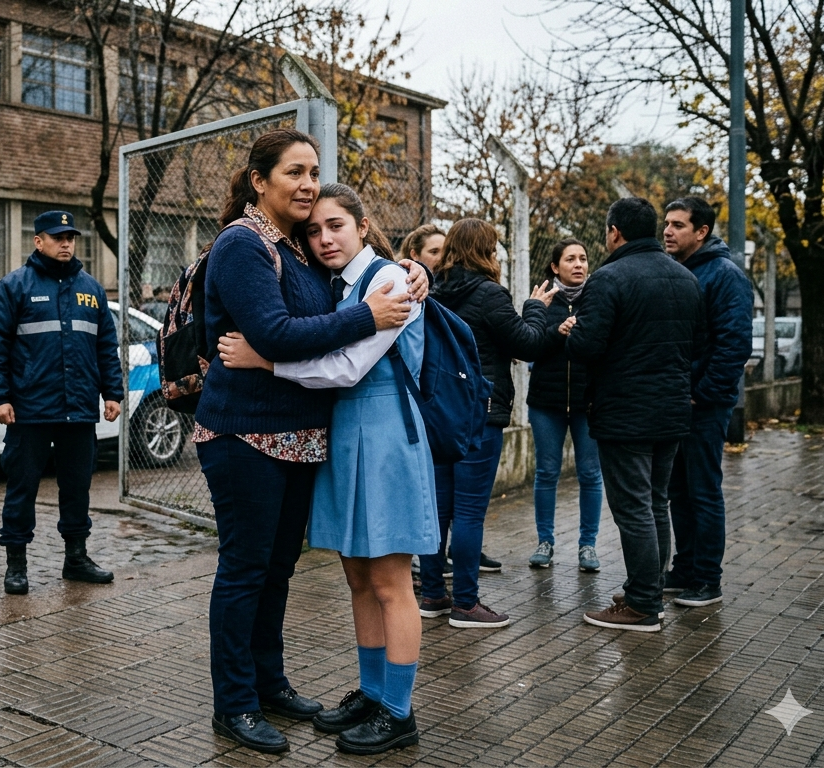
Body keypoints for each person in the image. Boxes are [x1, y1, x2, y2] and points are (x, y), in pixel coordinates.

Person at [193, 129, 425, 755]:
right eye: (293, 172)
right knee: (244, 571)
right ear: (258, 180)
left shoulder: (295, 246)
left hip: (296, 438)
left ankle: (269, 683)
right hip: (245, 433)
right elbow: (272, 332)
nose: (307, 184)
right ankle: (235, 702)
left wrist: (412, 267)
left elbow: (349, 274)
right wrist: (368, 317)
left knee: (277, 571)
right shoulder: (243, 245)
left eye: (314, 171)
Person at [564, 197, 705, 632]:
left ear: (614, 232)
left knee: (633, 509)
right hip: (672, 409)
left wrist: (572, 331)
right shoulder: (685, 278)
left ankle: (642, 604)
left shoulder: (608, 279)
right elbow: (697, 344)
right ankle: (649, 587)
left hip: (625, 413)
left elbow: (589, 346)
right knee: (655, 502)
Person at [416, 218, 557, 629]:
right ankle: (466, 603)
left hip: (438, 414)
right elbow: (527, 342)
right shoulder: (489, 294)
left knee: (437, 509)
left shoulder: (433, 292)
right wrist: (536, 308)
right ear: (485, 251)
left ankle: (431, 595)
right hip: (481, 413)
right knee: (470, 513)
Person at [0, 210, 123, 597]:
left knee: (77, 487)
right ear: (38, 241)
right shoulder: (14, 286)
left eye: (70, 237)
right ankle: (16, 565)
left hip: (78, 408)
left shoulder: (90, 289)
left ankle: (76, 559)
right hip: (29, 409)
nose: (65, 243)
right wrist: (0, 397)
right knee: (22, 486)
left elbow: (106, 346)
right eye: (57, 237)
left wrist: (113, 392)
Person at [661, 196, 753, 608]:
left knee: (703, 490)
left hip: (704, 404)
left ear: (702, 232)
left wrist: (704, 394)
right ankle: (686, 569)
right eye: (666, 223)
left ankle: (708, 580)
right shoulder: (678, 271)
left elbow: (734, 345)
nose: (667, 231)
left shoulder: (724, 275)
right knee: (678, 490)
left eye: (678, 225)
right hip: (679, 399)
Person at [525, 238, 603, 572]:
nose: (579, 265)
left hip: (588, 402)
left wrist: (583, 332)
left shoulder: (599, 298)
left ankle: (588, 546)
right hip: (546, 402)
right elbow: (528, 345)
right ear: (555, 267)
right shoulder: (542, 300)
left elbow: (607, 345)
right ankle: (545, 541)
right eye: (570, 259)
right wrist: (557, 331)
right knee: (547, 472)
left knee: (590, 474)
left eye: (583, 258)